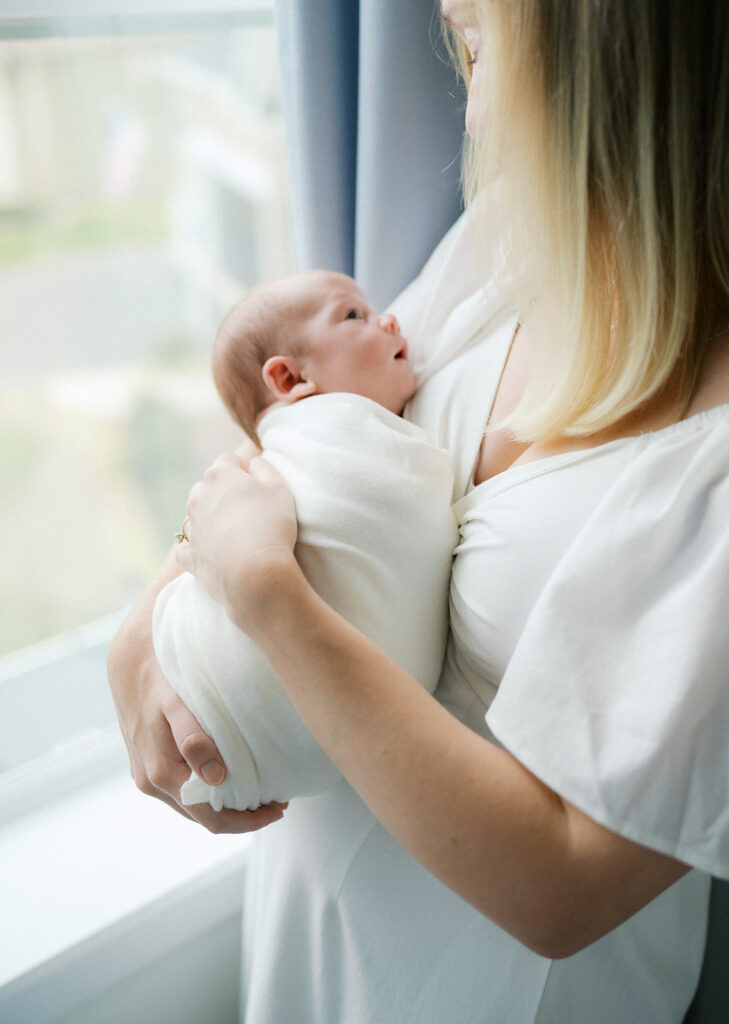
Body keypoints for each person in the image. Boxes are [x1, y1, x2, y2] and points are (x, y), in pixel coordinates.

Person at [107, 0, 729, 1020]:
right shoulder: (515, 242)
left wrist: (269, 601)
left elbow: (562, 883)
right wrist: (140, 633)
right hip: (321, 942)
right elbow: (307, 443)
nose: (444, 7)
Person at [152, 269, 457, 812]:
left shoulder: (322, 442)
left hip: (326, 730)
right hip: (230, 674)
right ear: (291, 380)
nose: (389, 319)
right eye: (354, 315)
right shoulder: (309, 438)